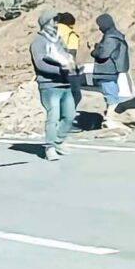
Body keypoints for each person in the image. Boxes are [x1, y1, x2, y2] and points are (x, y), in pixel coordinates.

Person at [30, 9, 78, 161]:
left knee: (70, 116)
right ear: (45, 23)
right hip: (49, 85)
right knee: (53, 117)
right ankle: (49, 147)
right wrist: (60, 70)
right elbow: (40, 65)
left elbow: (65, 56)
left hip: (64, 83)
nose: (55, 24)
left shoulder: (58, 40)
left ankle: (58, 141)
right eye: (53, 21)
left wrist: (71, 66)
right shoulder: (38, 42)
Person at [90, 13, 130, 127]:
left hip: (107, 71)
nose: (99, 28)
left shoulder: (110, 38)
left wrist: (94, 50)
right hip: (111, 70)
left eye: (100, 25)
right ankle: (111, 117)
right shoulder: (114, 36)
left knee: (110, 95)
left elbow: (103, 54)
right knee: (111, 93)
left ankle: (111, 118)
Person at [56, 12, 83, 107]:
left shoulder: (50, 31)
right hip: (65, 69)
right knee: (75, 94)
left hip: (48, 69)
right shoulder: (71, 35)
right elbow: (72, 55)